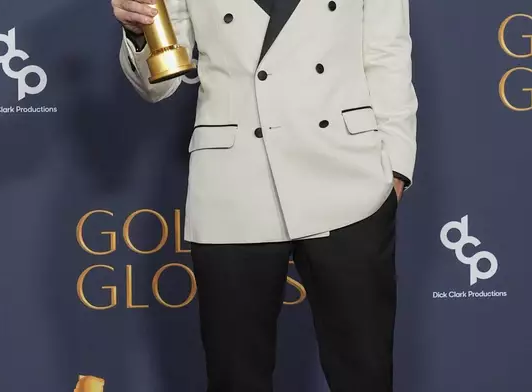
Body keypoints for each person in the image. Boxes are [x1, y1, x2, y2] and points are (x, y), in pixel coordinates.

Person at [112, 0, 418, 390]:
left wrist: (395, 170)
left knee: (364, 375)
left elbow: (387, 54)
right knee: (236, 378)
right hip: (234, 185)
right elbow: (162, 81)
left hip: (348, 179)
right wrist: (139, 33)